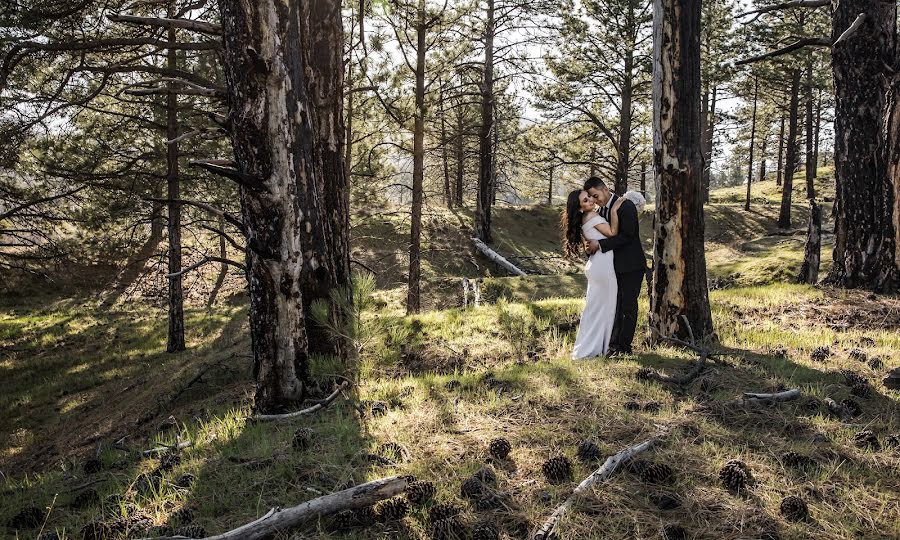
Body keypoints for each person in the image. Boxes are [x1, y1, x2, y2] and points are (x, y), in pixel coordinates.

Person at [583, 177, 647, 355]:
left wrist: (600, 246)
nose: (596, 200)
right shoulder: (601, 210)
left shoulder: (625, 206)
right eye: (592, 198)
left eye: (597, 195)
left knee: (627, 306)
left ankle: (624, 348)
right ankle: (612, 345)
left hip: (630, 265)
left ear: (605, 189)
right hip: (612, 268)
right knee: (614, 306)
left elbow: (627, 236)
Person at [562, 189, 624, 358]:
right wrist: (613, 210)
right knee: (604, 310)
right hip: (603, 266)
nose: (590, 200)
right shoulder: (590, 217)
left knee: (595, 309)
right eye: (585, 200)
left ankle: (592, 348)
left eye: (588, 197)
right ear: (580, 207)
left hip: (597, 265)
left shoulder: (585, 217)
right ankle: (593, 350)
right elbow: (612, 233)